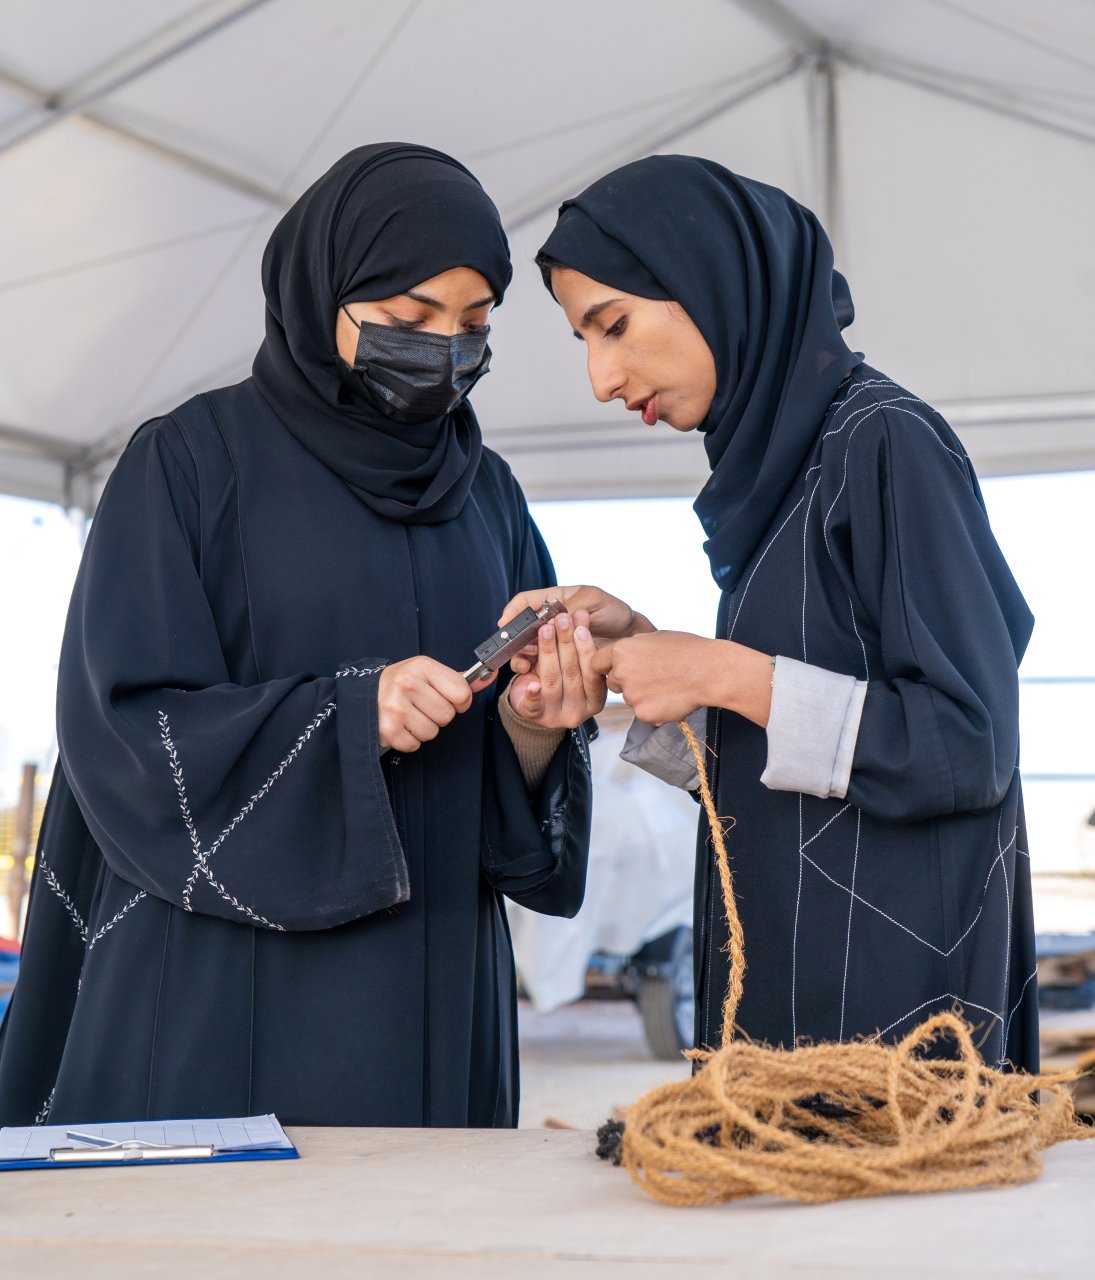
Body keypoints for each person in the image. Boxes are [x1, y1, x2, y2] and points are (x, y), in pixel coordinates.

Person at [0, 143, 605, 1129]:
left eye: (474, 323)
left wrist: (539, 729)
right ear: (320, 289)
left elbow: (517, 798)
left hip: (441, 993)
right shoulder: (189, 465)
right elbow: (122, 731)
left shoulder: (486, 494)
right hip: (228, 992)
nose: (446, 347)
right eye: (411, 319)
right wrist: (350, 713)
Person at [503, 155, 1037, 1070]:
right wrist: (643, 651)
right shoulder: (786, 475)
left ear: (713, 281)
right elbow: (799, 745)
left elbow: (966, 744)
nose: (601, 377)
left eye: (615, 325)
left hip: (898, 1009)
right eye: (586, 343)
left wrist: (719, 670)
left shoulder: (880, 440)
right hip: (798, 977)